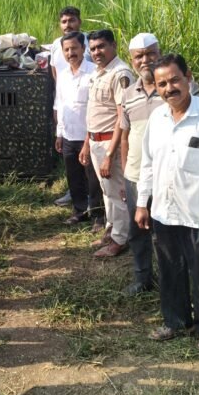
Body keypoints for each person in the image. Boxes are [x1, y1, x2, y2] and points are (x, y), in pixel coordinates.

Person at [135, 54, 199, 350]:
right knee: (170, 269)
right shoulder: (157, 118)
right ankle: (175, 321)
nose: (169, 88)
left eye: (174, 80)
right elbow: (147, 163)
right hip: (164, 212)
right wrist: (142, 204)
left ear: (188, 77)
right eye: (162, 84)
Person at [80, 29, 133, 258]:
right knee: (106, 191)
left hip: (110, 143)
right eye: (92, 48)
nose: (96, 52)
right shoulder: (98, 73)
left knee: (117, 193)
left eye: (101, 46)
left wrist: (110, 154)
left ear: (113, 45)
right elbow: (96, 113)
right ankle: (111, 230)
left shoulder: (120, 74)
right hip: (96, 141)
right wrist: (86, 143)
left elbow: (122, 118)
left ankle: (120, 239)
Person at [119, 33, 162, 295]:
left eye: (150, 53)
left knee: (164, 234)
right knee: (137, 231)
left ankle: (170, 282)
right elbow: (125, 137)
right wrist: (125, 174)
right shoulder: (128, 94)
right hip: (135, 175)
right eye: (139, 56)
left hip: (165, 176)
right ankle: (142, 278)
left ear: (159, 53)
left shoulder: (172, 89)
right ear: (132, 60)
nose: (145, 60)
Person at [54, 31, 103, 229]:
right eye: (66, 50)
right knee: (74, 177)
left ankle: (99, 215)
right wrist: (59, 133)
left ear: (83, 48)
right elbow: (61, 104)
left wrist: (88, 140)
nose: (70, 53)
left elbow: (96, 109)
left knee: (93, 178)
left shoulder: (94, 73)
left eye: (74, 48)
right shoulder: (63, 75)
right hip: (68, 135)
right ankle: (80, 211)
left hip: (88, 135)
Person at [50, 6, 92, 208]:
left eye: (72, 20)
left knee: (88, 161)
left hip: (87, 111)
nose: (68, 25)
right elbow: (55, 74)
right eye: (64, 21)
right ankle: (76, 198)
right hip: (66, 103)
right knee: (71, 159)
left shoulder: (90, 45)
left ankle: (95, 205)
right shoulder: (56, 46)